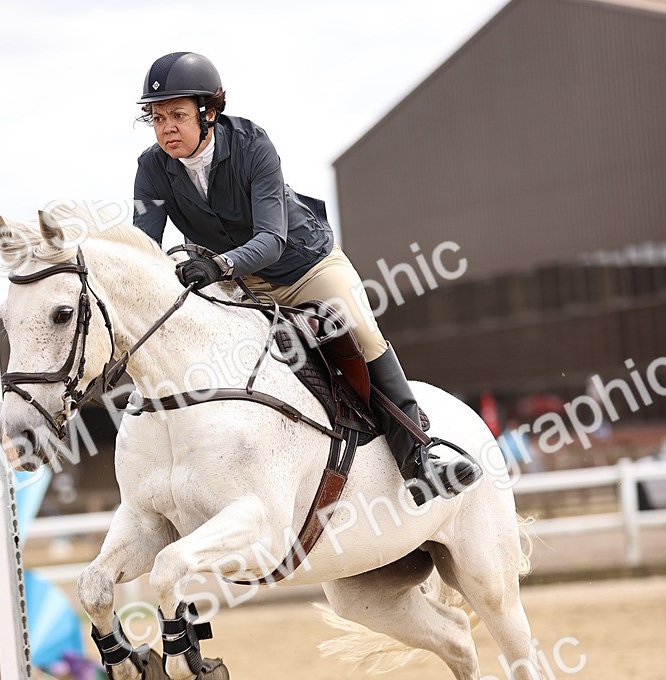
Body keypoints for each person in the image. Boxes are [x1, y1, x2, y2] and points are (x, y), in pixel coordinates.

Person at [132, 51, 481, 502]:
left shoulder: (253, 145)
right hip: (243, 283)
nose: (166, 129)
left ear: (209, 112)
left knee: (363, 333)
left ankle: (421, 458)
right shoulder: (151, 168)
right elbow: (145, 250)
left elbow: (272, 240)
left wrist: (216, 265)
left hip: (306, 265)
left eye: (177, 116)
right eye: (157, 118)